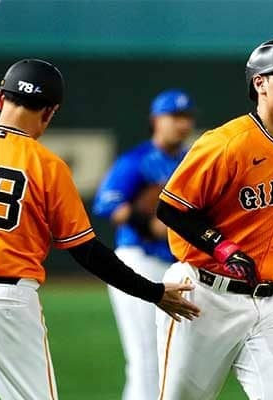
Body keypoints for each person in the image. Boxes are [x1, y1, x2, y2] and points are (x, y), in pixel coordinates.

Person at [0, 58, 200, 399]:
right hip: (4, 301)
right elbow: (88, 252)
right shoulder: (47, 165)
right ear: (50, 112)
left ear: (0, 98)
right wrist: (153, 292)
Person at [153, 38, 273, 400]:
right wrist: (222, 247)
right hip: (203, 296)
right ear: (260, 83)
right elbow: (171, 208)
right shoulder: (226, 143)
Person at [92, 89, 195, 400]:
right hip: (139, 262)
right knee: (146, 359)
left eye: (186, 117)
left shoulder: (191, 162)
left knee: (173, 359)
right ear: (155, 120)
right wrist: (148, 224)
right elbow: (107, 204)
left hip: (176, 267)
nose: (181, 123)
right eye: (174, 116)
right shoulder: (136, 161)